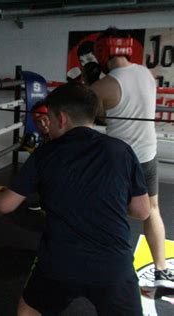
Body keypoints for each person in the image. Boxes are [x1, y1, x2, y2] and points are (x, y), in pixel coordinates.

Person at [0, 83, 150, 315]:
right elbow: (142, 211)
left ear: (61, 118)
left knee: (27, 312)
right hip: (112, 266)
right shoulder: (121, 151)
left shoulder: (45, 154)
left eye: (48, 117)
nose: (46, 125)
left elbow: (6, 205)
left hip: (60, 264)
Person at [90, 27, 174, 288]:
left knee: (109, 213)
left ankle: (109, 269)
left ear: (103, 52)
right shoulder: (147, 74)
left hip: (119, 160)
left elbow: (98, 117)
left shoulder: (102, 86)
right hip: (148, 154)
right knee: (153, 211)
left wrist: (90, 85)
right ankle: (161, 272)